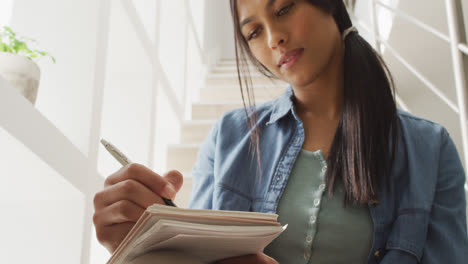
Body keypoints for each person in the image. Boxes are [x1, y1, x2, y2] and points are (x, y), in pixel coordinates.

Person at [93, 0, 468, 263]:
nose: (273, 37)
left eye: (284, 8)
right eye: (253, 31)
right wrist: (138, 247)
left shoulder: (430, 149)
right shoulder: (228, 137)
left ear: (331, 5)